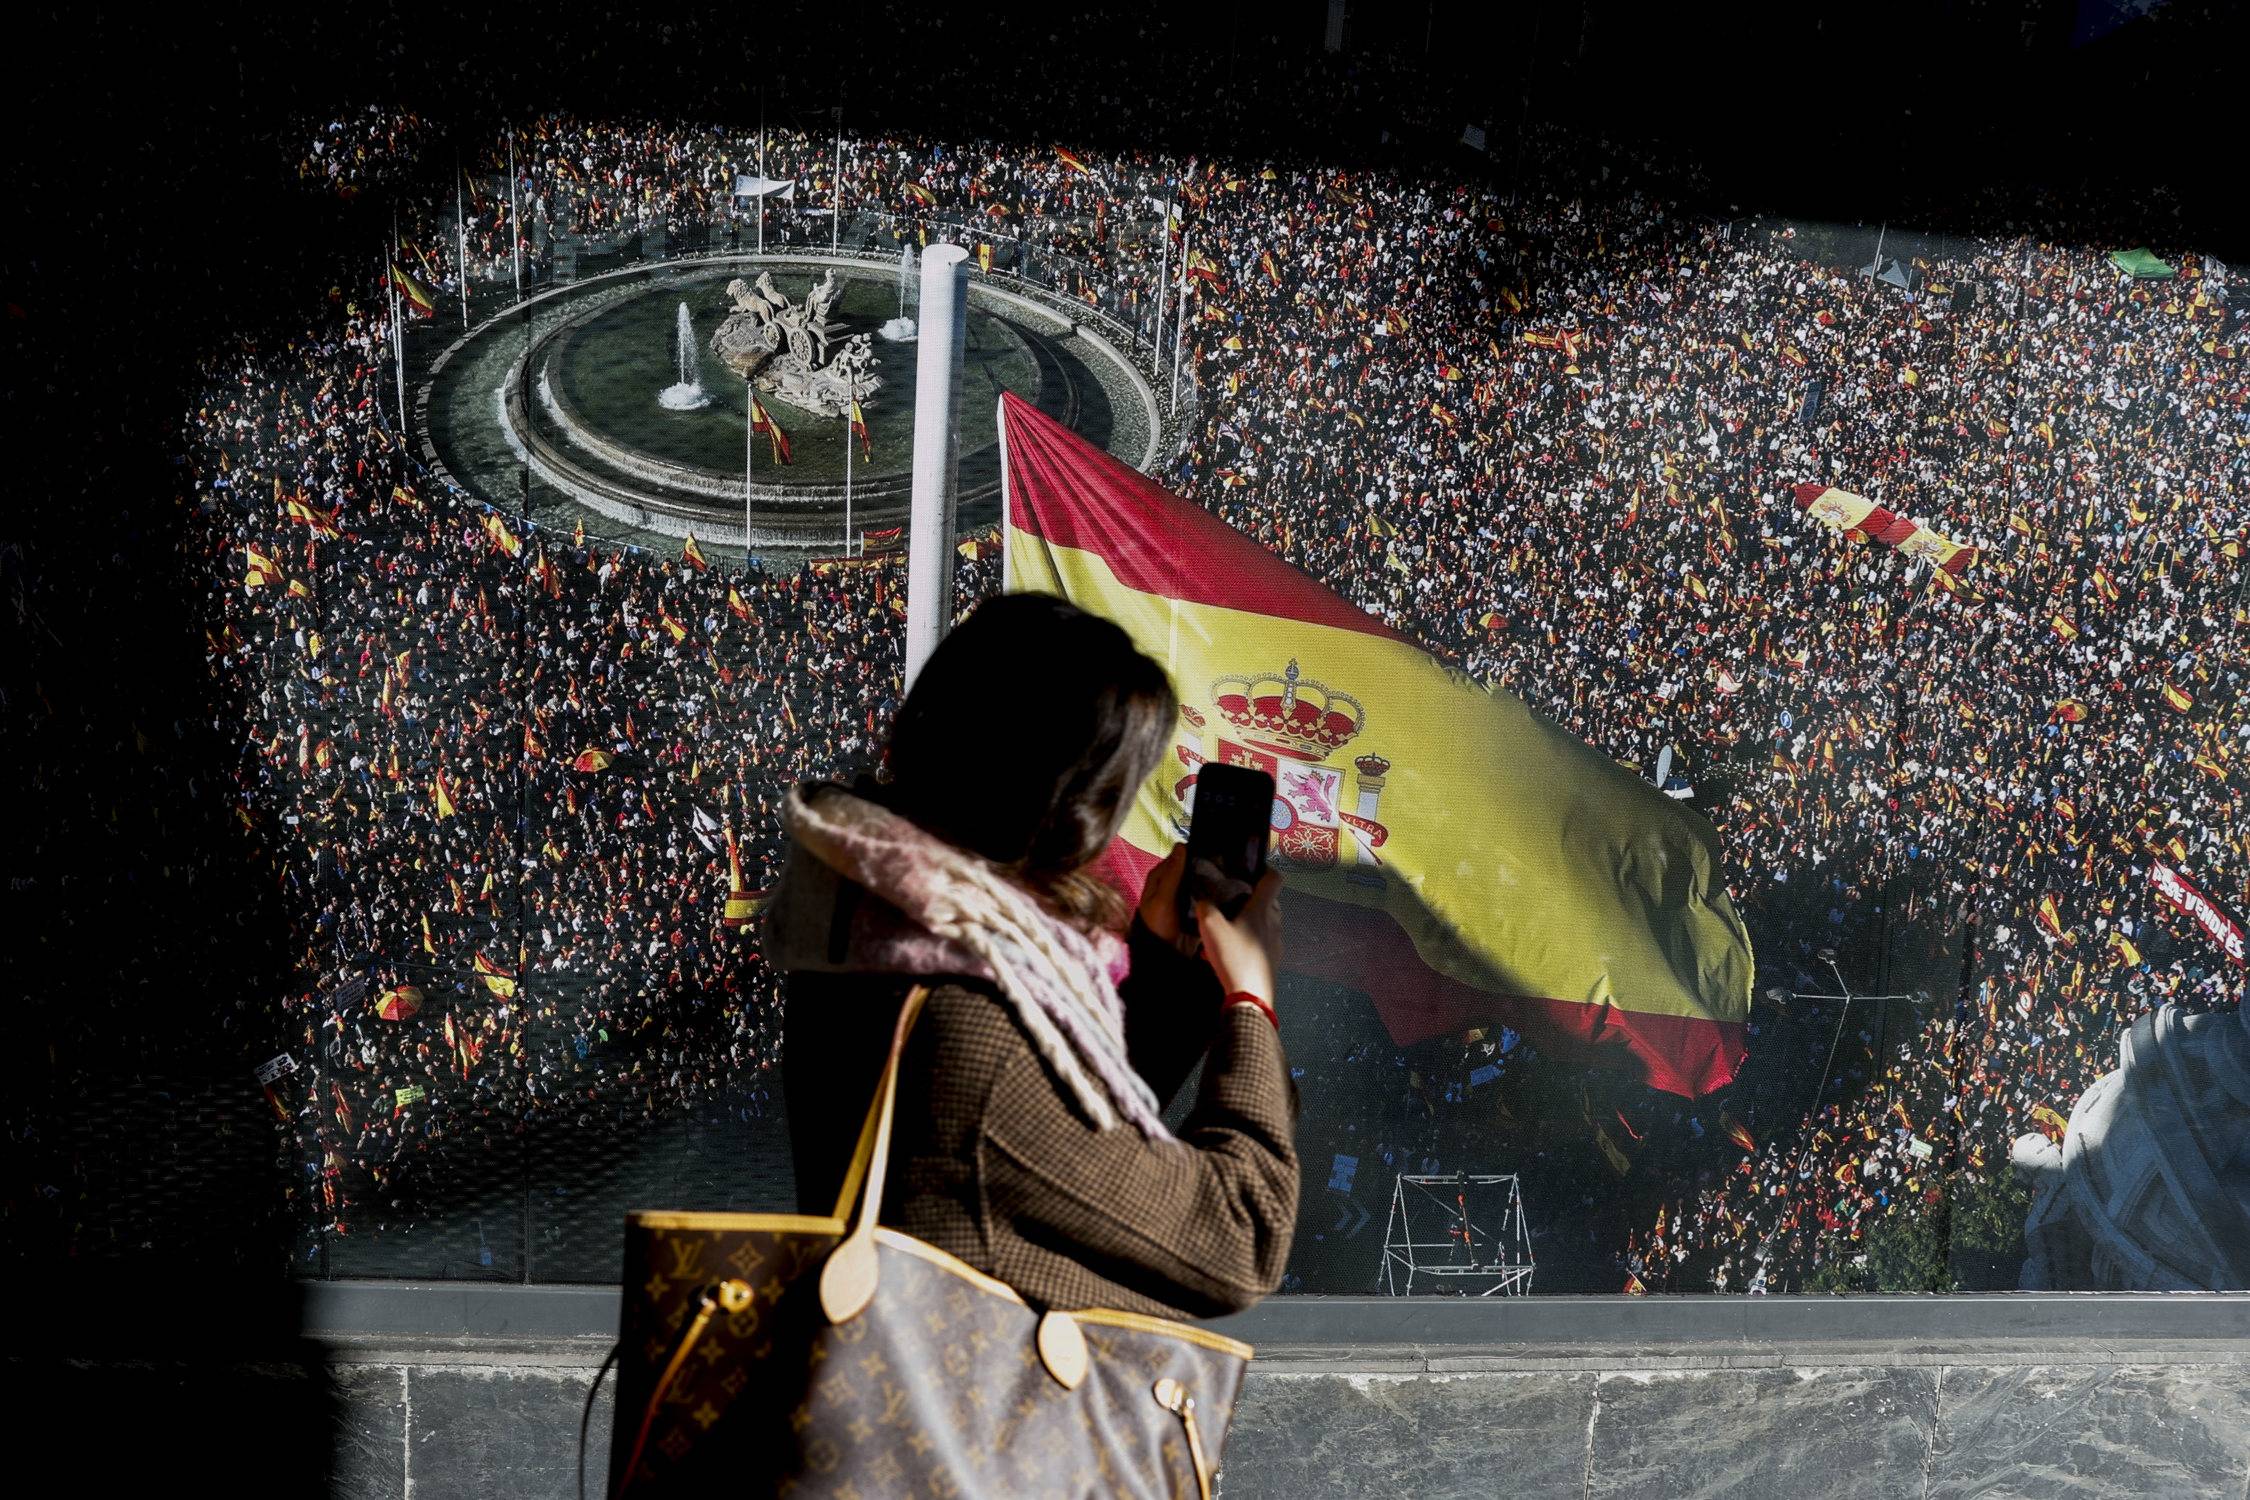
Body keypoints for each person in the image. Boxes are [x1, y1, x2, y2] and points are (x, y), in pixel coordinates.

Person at [768, 591, 1298, 1320]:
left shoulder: (870, 930)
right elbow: (1239, 1237)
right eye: (1114, 796)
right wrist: (1251, 1003)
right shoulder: (969, 1033)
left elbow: (1053, 1142)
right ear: (1065, 810)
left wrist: (1169, 965)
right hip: (981, 1418)